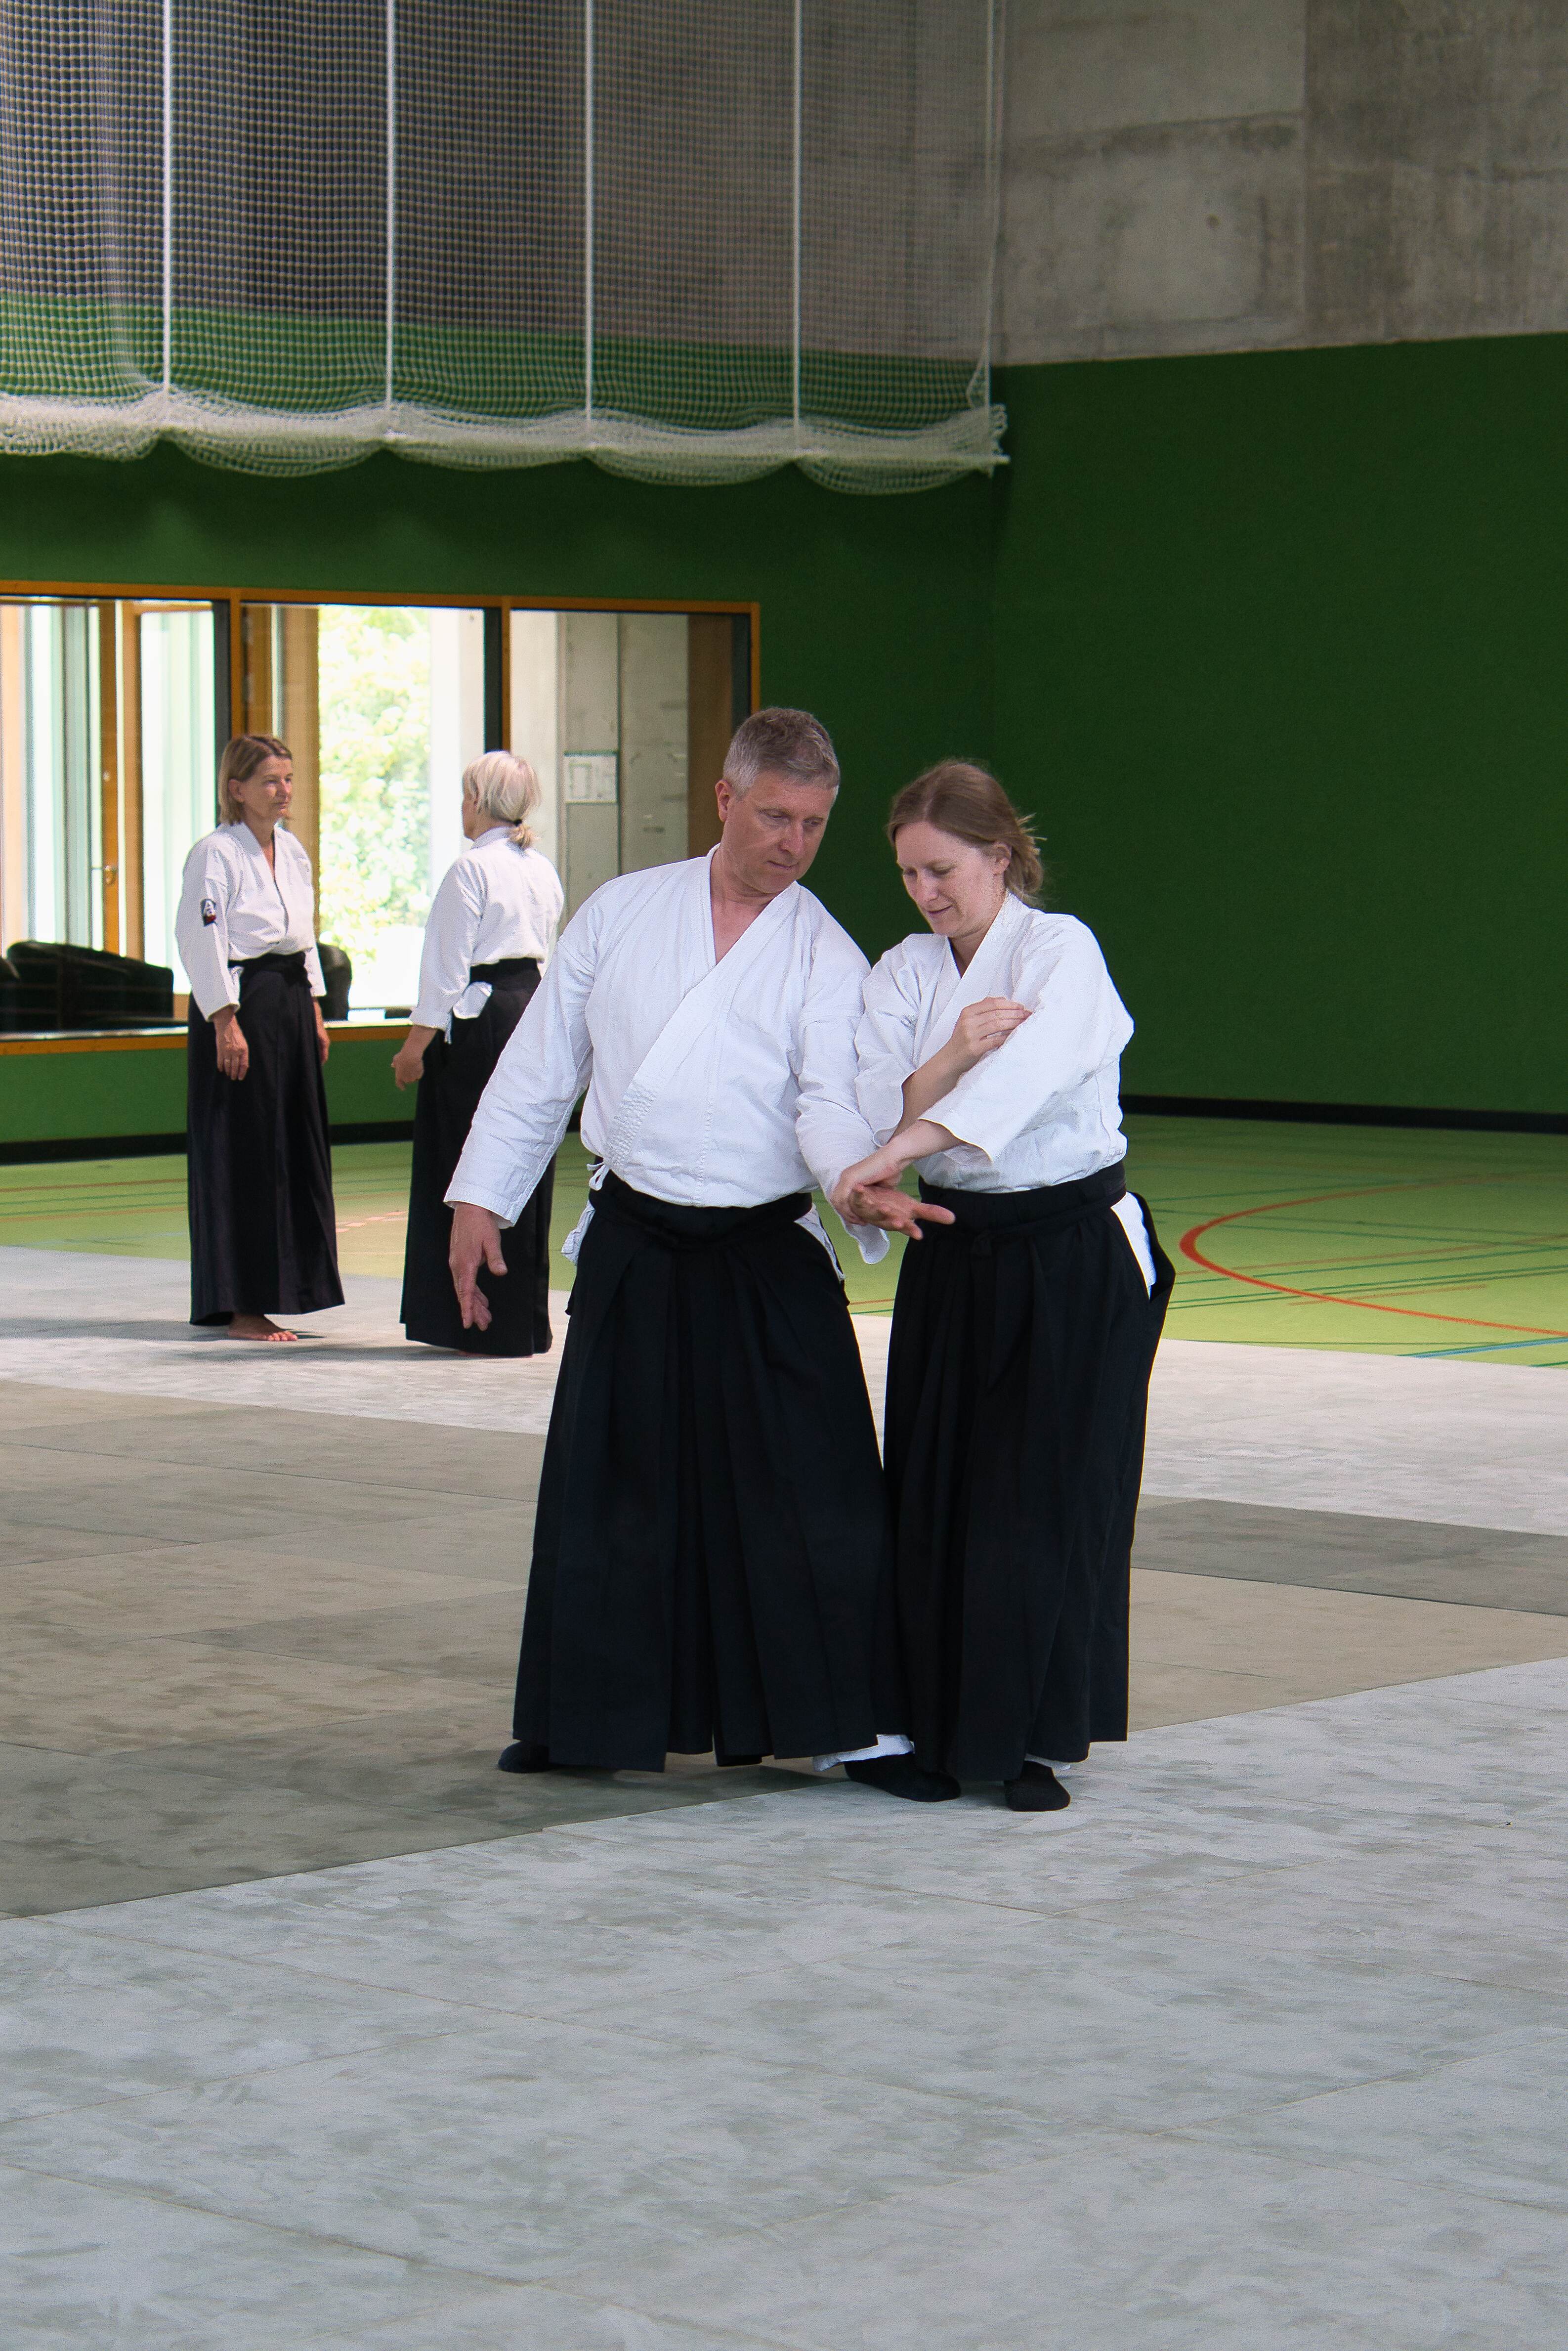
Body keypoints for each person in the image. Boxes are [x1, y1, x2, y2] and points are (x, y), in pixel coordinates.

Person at [447, 707, 955, 1797]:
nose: (793, 842)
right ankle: (584, 1719)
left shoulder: (824, 952)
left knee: (817, 1487)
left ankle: (853, 1724)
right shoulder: (623, 911)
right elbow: (543, 1064)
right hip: (638, 1233)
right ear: (723, 798)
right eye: (774, 815)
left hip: (762, 1244)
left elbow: (828, 1099)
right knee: (612, 1489)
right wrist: (482, 1197)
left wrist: (852, 1177)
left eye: (813, 823)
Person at [832, 761, 1174, 1812]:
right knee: (937, 1491)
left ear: (998, 854)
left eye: (941, 869)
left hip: (1066, 1248)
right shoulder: (901, 971)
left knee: (1044, 1500)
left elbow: (1026, 1079)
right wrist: (943, 1059)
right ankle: (939, 1728)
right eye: (907, 874)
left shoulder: (1060, 949)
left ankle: (1029, 1737)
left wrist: (896, 1147)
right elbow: (867, 1097)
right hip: (955, 1244)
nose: (924, 892)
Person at [394, 751, 564, 1354]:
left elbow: (445, 970)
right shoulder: (540, 869)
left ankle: (462, 1318)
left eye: (466, 795)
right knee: (520, 1155)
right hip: (529, 1010)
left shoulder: (470, 870)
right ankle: (521, 1320)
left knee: (465, 1161)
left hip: (478, 1026)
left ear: (479, 801)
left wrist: (415, 1046)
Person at [175, 733, 343, 1341]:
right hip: (241, 1005)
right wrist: (224, 1018)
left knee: (291, 1146)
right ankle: (242, 1303)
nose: (283, 791)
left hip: (290, 1001)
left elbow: (305, 936)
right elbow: (201, 939)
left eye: (288, 779)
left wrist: (315, 1009)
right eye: (270, 780)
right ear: (236, 789)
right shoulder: (214, 854)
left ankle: (293, 1286)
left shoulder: (292, 851)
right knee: (243, 1150)